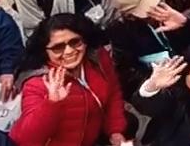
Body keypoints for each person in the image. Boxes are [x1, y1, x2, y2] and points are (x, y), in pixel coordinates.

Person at [11, 14, 128, 146]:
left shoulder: (98, 59)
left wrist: (115, 131)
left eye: (75, 42)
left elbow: (113, 92)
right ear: (45, 52)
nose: (69, 51)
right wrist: (51, 103)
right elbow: (26, 140)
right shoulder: (38, 83)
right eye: (58, 47)